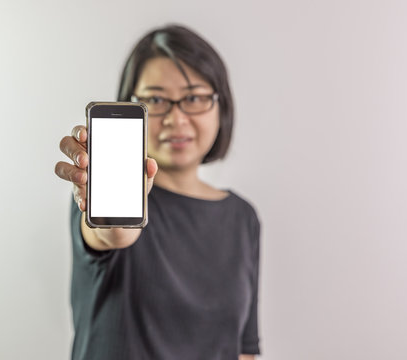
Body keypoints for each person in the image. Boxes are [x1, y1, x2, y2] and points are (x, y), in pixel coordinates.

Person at [55, 24, 261, 360]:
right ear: (131, 106)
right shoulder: (99, 198)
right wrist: (112, 225)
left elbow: (243, 350)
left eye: (193, 97)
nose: (176, 119)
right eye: (156, 100)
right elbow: (112, 234)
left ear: (220, 105)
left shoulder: (242, 217)